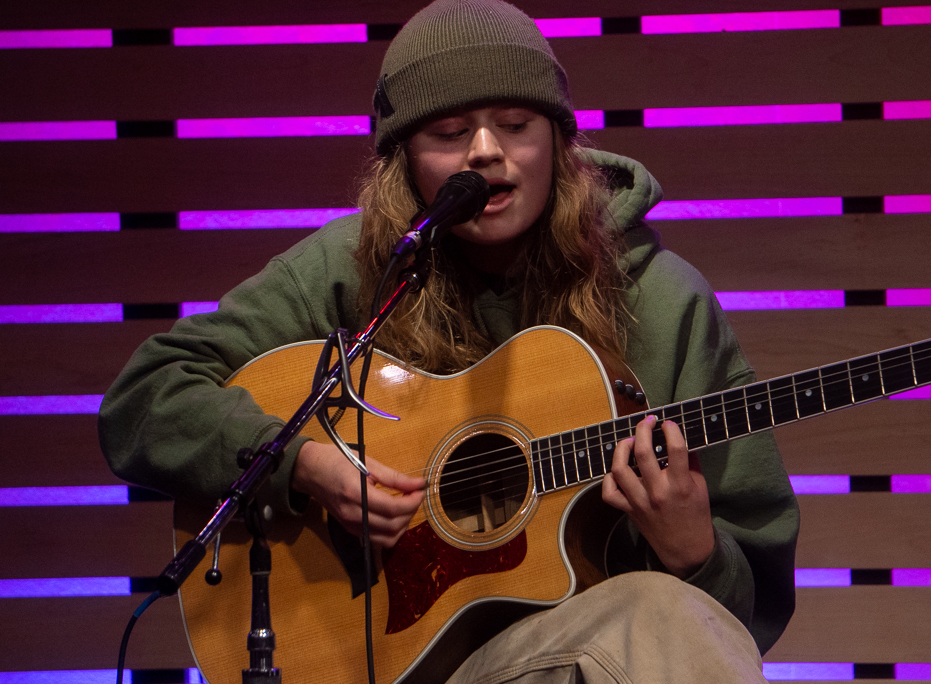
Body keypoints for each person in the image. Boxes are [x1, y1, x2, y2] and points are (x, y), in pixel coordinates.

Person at [99, 0, 800, 681]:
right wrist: (308, 467)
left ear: (558, 142)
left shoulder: (664, 302)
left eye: (516, 124)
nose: (487, 153)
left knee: (662, 609)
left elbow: (736, 619)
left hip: (585, 656)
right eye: (450, 133)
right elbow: (143, 399)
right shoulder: (351, 271)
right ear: (403, 159)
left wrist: (695, 555)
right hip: (386, 662)